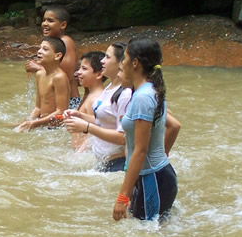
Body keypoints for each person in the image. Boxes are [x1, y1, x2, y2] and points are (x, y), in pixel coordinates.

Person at [113, 37, 177, 221]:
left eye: (125, 58)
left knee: (148, 234)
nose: (122, 63)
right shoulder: (148, 91)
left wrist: (122, 197)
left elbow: (141, 151)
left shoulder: (143, 97)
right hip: (153, 177)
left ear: (135, 63)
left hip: (153, 179)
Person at [64, 43, 132, 170]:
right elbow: (106, 121)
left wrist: (87, 126)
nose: (102, 61)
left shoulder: (125, 94)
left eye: (107, 57)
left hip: (117, 162)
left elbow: (123, 137)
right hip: (104, 162)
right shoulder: (109, 88)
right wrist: (80, 116)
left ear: (120, 63)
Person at [25, 5, 80, 109]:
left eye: (50, 21)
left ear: (63, 25)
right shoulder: (51, 43)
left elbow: (67, 76)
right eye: (43, 20)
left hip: (69, 102)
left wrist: (38, 68)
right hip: (56, 101)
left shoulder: (66, 42)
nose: (44, 24)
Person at [16, 36, 71, 131]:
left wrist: (34, 124)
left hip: (55, 128)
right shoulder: (40, 74)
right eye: (40, 48)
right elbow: (38, 108)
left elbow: (61, 113)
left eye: (45, 49)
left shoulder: (60, 78)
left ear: (57, 56)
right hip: (42, 124)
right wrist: (26, 122)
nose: (39, 51)